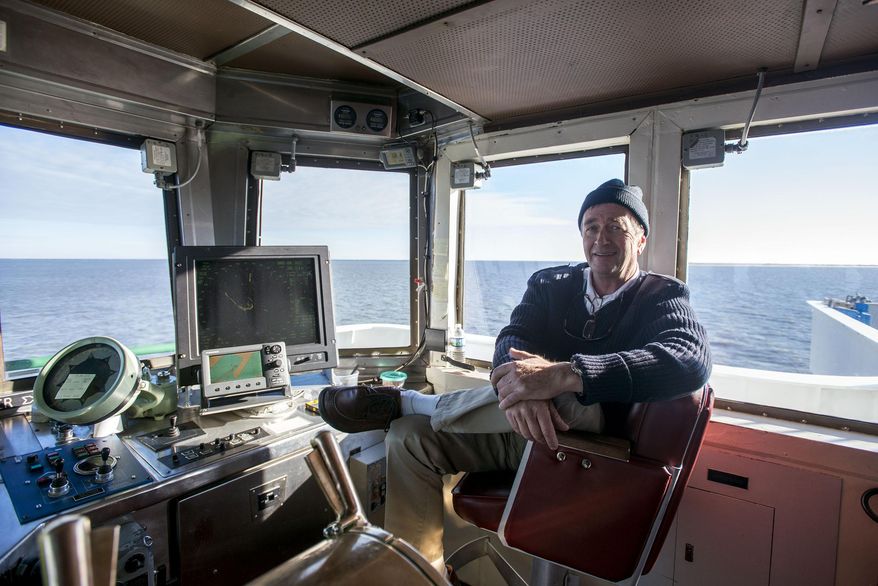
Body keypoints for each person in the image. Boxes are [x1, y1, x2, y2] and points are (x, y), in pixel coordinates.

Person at [319, 178, 711, 574]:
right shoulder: (550, 283)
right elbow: (511, 338)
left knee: (567, 396)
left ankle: (411, 402)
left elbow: (689, 360)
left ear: (640, 239)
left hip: (589, 446)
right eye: (591, 226)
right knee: (408, 438)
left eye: (616, 227)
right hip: (525, 428)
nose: (601, 238)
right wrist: (529, 388)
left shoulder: (663, 296)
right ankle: (421, 574)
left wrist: (565, 375)